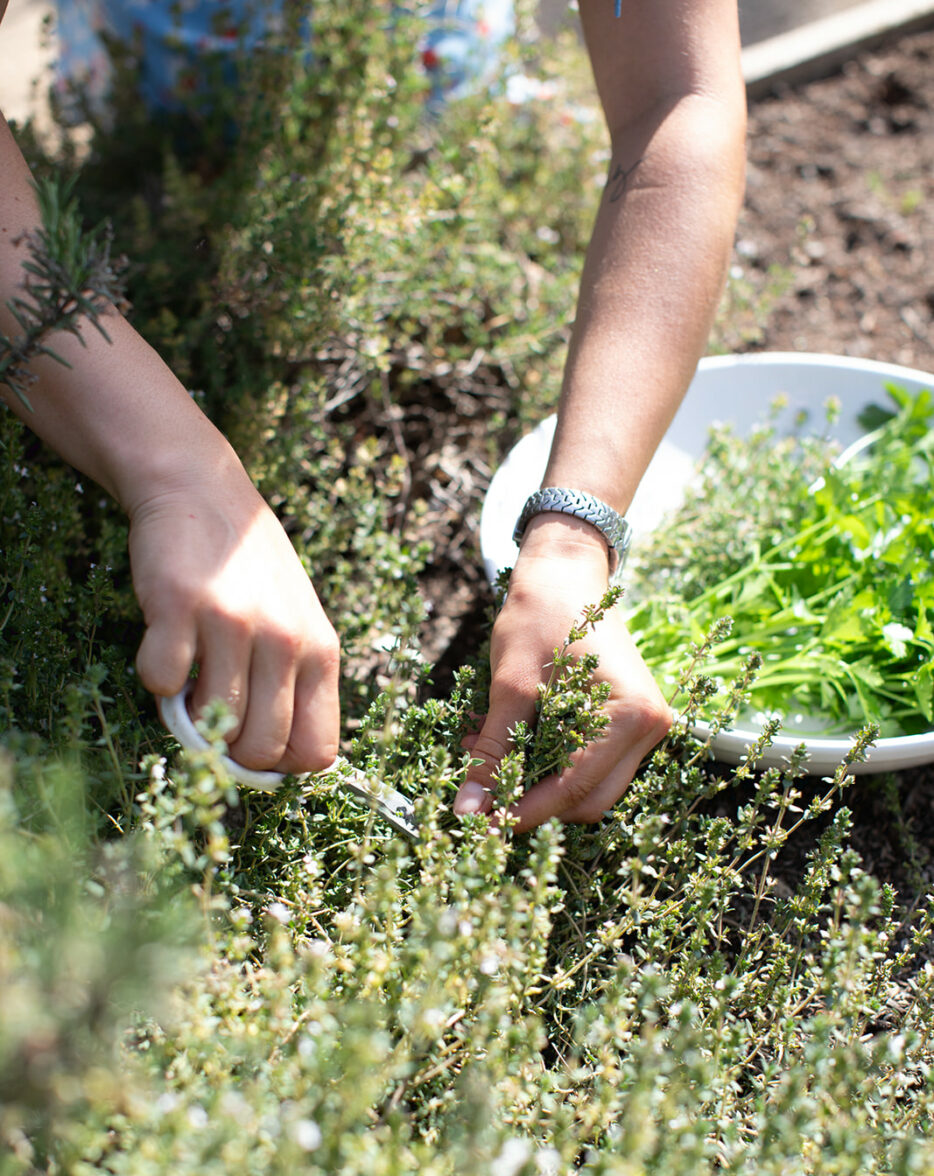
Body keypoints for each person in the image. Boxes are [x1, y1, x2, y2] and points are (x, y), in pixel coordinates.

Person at [0, 0, 746, 832]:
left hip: (432, 114)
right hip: (139, 130)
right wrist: (178, 473)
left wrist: (574, 538)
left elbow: (677, 99)